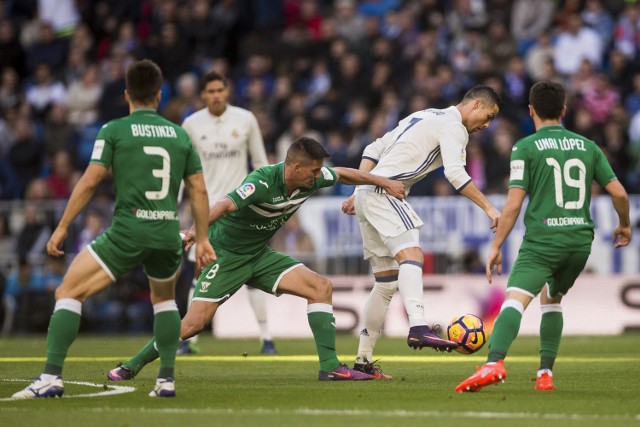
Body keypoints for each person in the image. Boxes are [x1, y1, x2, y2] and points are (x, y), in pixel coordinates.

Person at [107, 136, 405, 382]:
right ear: (295, 167)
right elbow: (224, 205)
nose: (318, 177)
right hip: (226, 255)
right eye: (313, 171)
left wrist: (383, 182)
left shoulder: (311, 179)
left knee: (320, 287)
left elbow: (341, 172)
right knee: (194, 323)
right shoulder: (262, 182)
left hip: (259, 255)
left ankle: (330, 367)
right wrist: (192, 234)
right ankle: (132, 364)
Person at [11, 59, 216, 399]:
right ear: (159, 95)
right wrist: (204, 239)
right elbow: (199, 191)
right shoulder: (180, 135)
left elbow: (90, 181)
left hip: (129, 230)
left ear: (126, 94)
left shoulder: (114, 130)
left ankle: (50, 377)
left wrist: (62, 226)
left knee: (68, 292)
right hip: (167, 233)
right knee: (164, 301)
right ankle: (166, 381)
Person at [455, 81, 631, 393]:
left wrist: (496, 246)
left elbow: (512, 205)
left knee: (515, 299)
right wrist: (624, 225)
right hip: (579, 241)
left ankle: (494, 363)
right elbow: (618, 192)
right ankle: (545, 373)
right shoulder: (588, 146)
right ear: (564, 111)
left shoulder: (525, 147)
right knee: (553, 300)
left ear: (531, 110)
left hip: (543, 240)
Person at [341, 85, 502, 379]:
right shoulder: (455, 127)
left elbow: (374, 148)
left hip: (368, 192)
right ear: (476, 104)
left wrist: (358, 189)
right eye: (488, 116)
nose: (487, 125)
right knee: (412, 254)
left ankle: (363, 361)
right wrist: (490, 208)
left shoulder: (425, 114)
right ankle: (418, 326)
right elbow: (455, 173)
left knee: (387, 283)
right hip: (384, 192)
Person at [178, 70, 277, 355]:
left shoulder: (246, 119)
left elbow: (260, 164)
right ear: (203, 95)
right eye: (210, 91)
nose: (216, 95)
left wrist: (267, 204)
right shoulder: (191, 124)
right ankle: (189, 341)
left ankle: (267, 338)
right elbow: (183, 172)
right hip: (205, 213)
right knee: (200, 273)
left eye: (220, 90)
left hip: (242, 210)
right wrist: (174, 208)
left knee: (252, 273)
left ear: (227, 91)